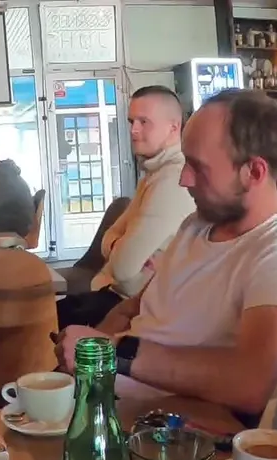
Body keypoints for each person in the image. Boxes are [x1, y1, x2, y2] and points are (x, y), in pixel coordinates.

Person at [54, 89, 277, 428]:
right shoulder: (195, 226)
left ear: (254, 172)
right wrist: (86, 356)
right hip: (107, 395)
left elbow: (251, 384)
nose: (183, 178)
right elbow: (133, 307)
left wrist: (116, 352)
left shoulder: (276, 259)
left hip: (156, 427)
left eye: (198, 167)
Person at [56, 85, 196, 328]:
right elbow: (109, 240)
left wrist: (119, 248)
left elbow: (122, 268)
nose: (134, 130)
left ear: (174, 127)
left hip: (132, 312)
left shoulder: (172, 179)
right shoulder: (154, 174)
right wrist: (119, 246)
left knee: (39, 323)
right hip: (117, 299)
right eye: (132, 121)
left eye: (144, 121)